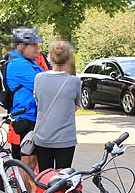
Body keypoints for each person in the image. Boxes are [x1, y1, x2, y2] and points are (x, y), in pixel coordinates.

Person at [33, 40, 81, 170]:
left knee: (45, 176)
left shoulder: (39, 78)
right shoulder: (74, 81)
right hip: (65, 138)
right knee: (63, 179)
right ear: (69, 58)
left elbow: (38, 101)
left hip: (43, 136)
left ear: (50, 57)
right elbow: (77, 104)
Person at [6, 28, 44, 168]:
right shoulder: (18, 65)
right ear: (22, 46)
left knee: (34, 160)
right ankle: (25, 191)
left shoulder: (30, 63)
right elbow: (42, 84)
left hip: (34, 117)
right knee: (28, 161)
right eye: (33, 45)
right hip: (26, 117)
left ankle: (30, 189)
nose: (37, 49)